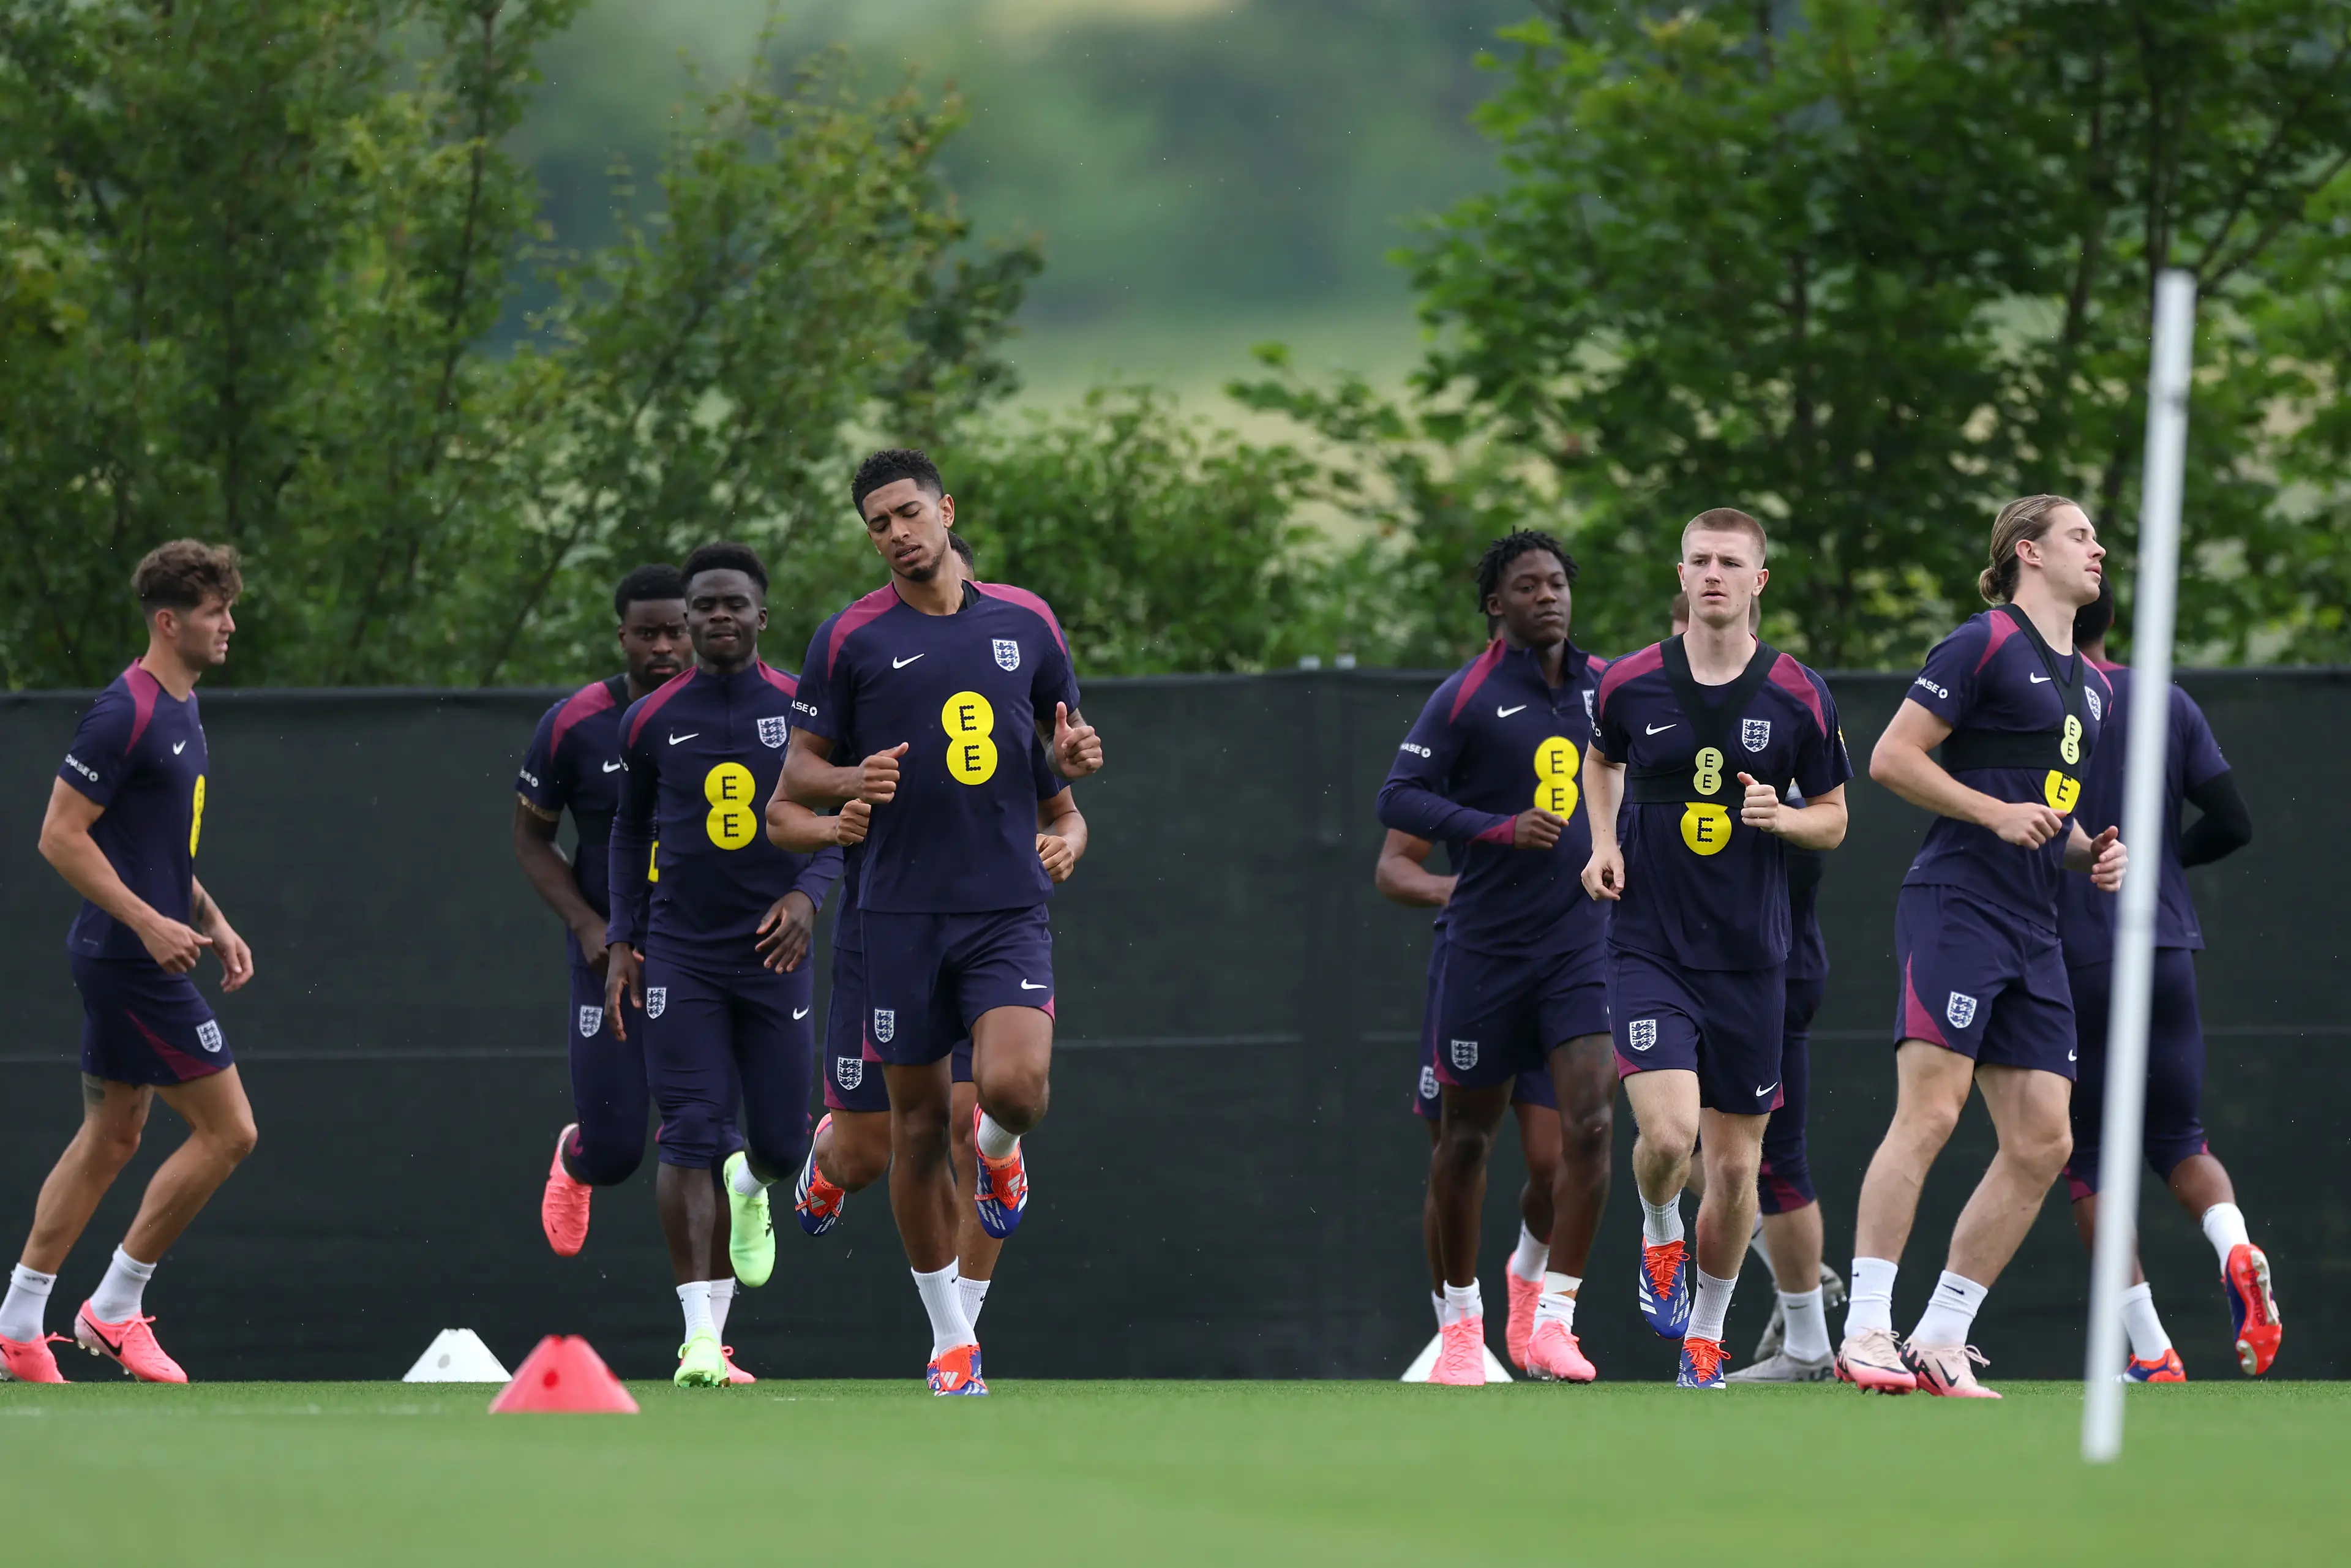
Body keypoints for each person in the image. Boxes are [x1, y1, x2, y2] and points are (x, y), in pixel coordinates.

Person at [782, 448, 1103, 1396]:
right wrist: (851, 779)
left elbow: (1064, 745)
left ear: (946, 509)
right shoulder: (849, 639)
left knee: (1014, 1094)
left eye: (908, 513)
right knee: (909, 1136)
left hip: (1005, 911)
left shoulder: (1027, 619)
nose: (896, 534)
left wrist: (1076, 782)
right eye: (878, 523)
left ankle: (1004, 1165)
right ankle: (951, 1342)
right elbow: (798, 775)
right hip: (894, 923)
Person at [1842, 494, 2128, 1398]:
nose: (2100, 547)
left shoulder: (2095, 684)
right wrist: (1994, 812)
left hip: (2034, 924)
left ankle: (1941, 1335)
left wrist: (2090, 852)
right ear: (2026, 552)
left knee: (2044, 1142)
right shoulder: (1984, 642)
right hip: (1957, 905)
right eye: (2081, 534)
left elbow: (2049, 811)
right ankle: (1865, 1329)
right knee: (1930, 1114)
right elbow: (1892, 757)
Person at [1581, 509, 1851, 1390]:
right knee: (1669, 1136)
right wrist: (1604, 842)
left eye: (1730, 562)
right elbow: (1600, 760)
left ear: (1758, 580)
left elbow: (1837, 819)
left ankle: (1706, 1335)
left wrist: (1787, 815)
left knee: (1738, 1167)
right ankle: (1659, 1226)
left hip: (1751, 958)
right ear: (1683, 571)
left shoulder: (1799, 694)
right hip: (1649, 946)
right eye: (1699, 559)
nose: (1713, 574)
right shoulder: (1628, 683)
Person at [1, 541, 259, 1385]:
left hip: (131, 950)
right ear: (168, 620)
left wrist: (210, 919)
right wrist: (151, 924)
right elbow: (59, 835)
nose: (229, 624)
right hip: (126, 960)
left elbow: (154, 849)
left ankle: (15, 1325)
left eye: (227, 608)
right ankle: (113, 1308)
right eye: (215, 611)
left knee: (112, 1137)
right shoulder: (125, 712)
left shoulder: (182, 708)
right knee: (229, 1132)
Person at [1376, 531, 1616, 1387]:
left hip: (1580, 946)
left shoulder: (1604, 688)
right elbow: (1395, 798)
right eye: (1527, 586)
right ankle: (1462, 1328)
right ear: (1496, 604)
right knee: (1466, 1144)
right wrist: (1495, 830)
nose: (1547, 595)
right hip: (1484, 952)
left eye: (1557, 582)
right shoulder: (1467, 696)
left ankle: (1552, 1315)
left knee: (1588, 1130)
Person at [604, 542, 842, 1388]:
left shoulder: (802, 708)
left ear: (761, 615)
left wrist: (809, 897)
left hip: (773, 951)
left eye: (733, 604)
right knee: (691, 1129)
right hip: (682, 952)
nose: (716, 618)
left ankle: (755, 1185)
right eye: (703, 605)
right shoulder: (652, 717)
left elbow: (847, 814)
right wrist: (624, 939)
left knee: (777, 1144)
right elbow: (629, 832)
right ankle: (700, 1337)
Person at [2057, 580, 2276, 1380]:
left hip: (2070, 950)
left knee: (2084, 1155)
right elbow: (2234, 821)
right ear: (2112, 622)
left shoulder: (2035, 702)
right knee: (2182, 1138)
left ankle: (2151, 1349)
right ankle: (2237, 1246)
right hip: (2164, 947)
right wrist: (2154, 863)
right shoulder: (2165, 701)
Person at [1646, 591, 1847, 1382]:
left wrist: (1767, 815)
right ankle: (1793, 1305)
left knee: (1764, 1161)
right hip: (1671, 964)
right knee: (1674, 1138)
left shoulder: (1780, 713)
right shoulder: (1645, 716)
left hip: (1769, 968)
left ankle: (1808, 1341)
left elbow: (1821, 831)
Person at [523, 566, 690, 1255]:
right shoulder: (574, 724)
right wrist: (590, 924)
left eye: (675, 631)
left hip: (705, 957)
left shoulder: (727, 716)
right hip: (611, 955)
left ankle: (709, 1337)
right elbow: (531, 840)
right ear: (622, 636)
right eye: (646, 633)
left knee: (712, 1138)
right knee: (618, 1150)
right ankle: (577, 1156)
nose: (663, 647)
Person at [1377, 829, 1564, 1375]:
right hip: (1471, 976)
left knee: (1558, 1166)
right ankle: (1456, 1327)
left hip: (1558, 977)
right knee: (1457, 1158)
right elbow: (1394, 865)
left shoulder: (1591, 750)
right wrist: (1447, 888)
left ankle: (1528, 1269)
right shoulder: (1461, 747)